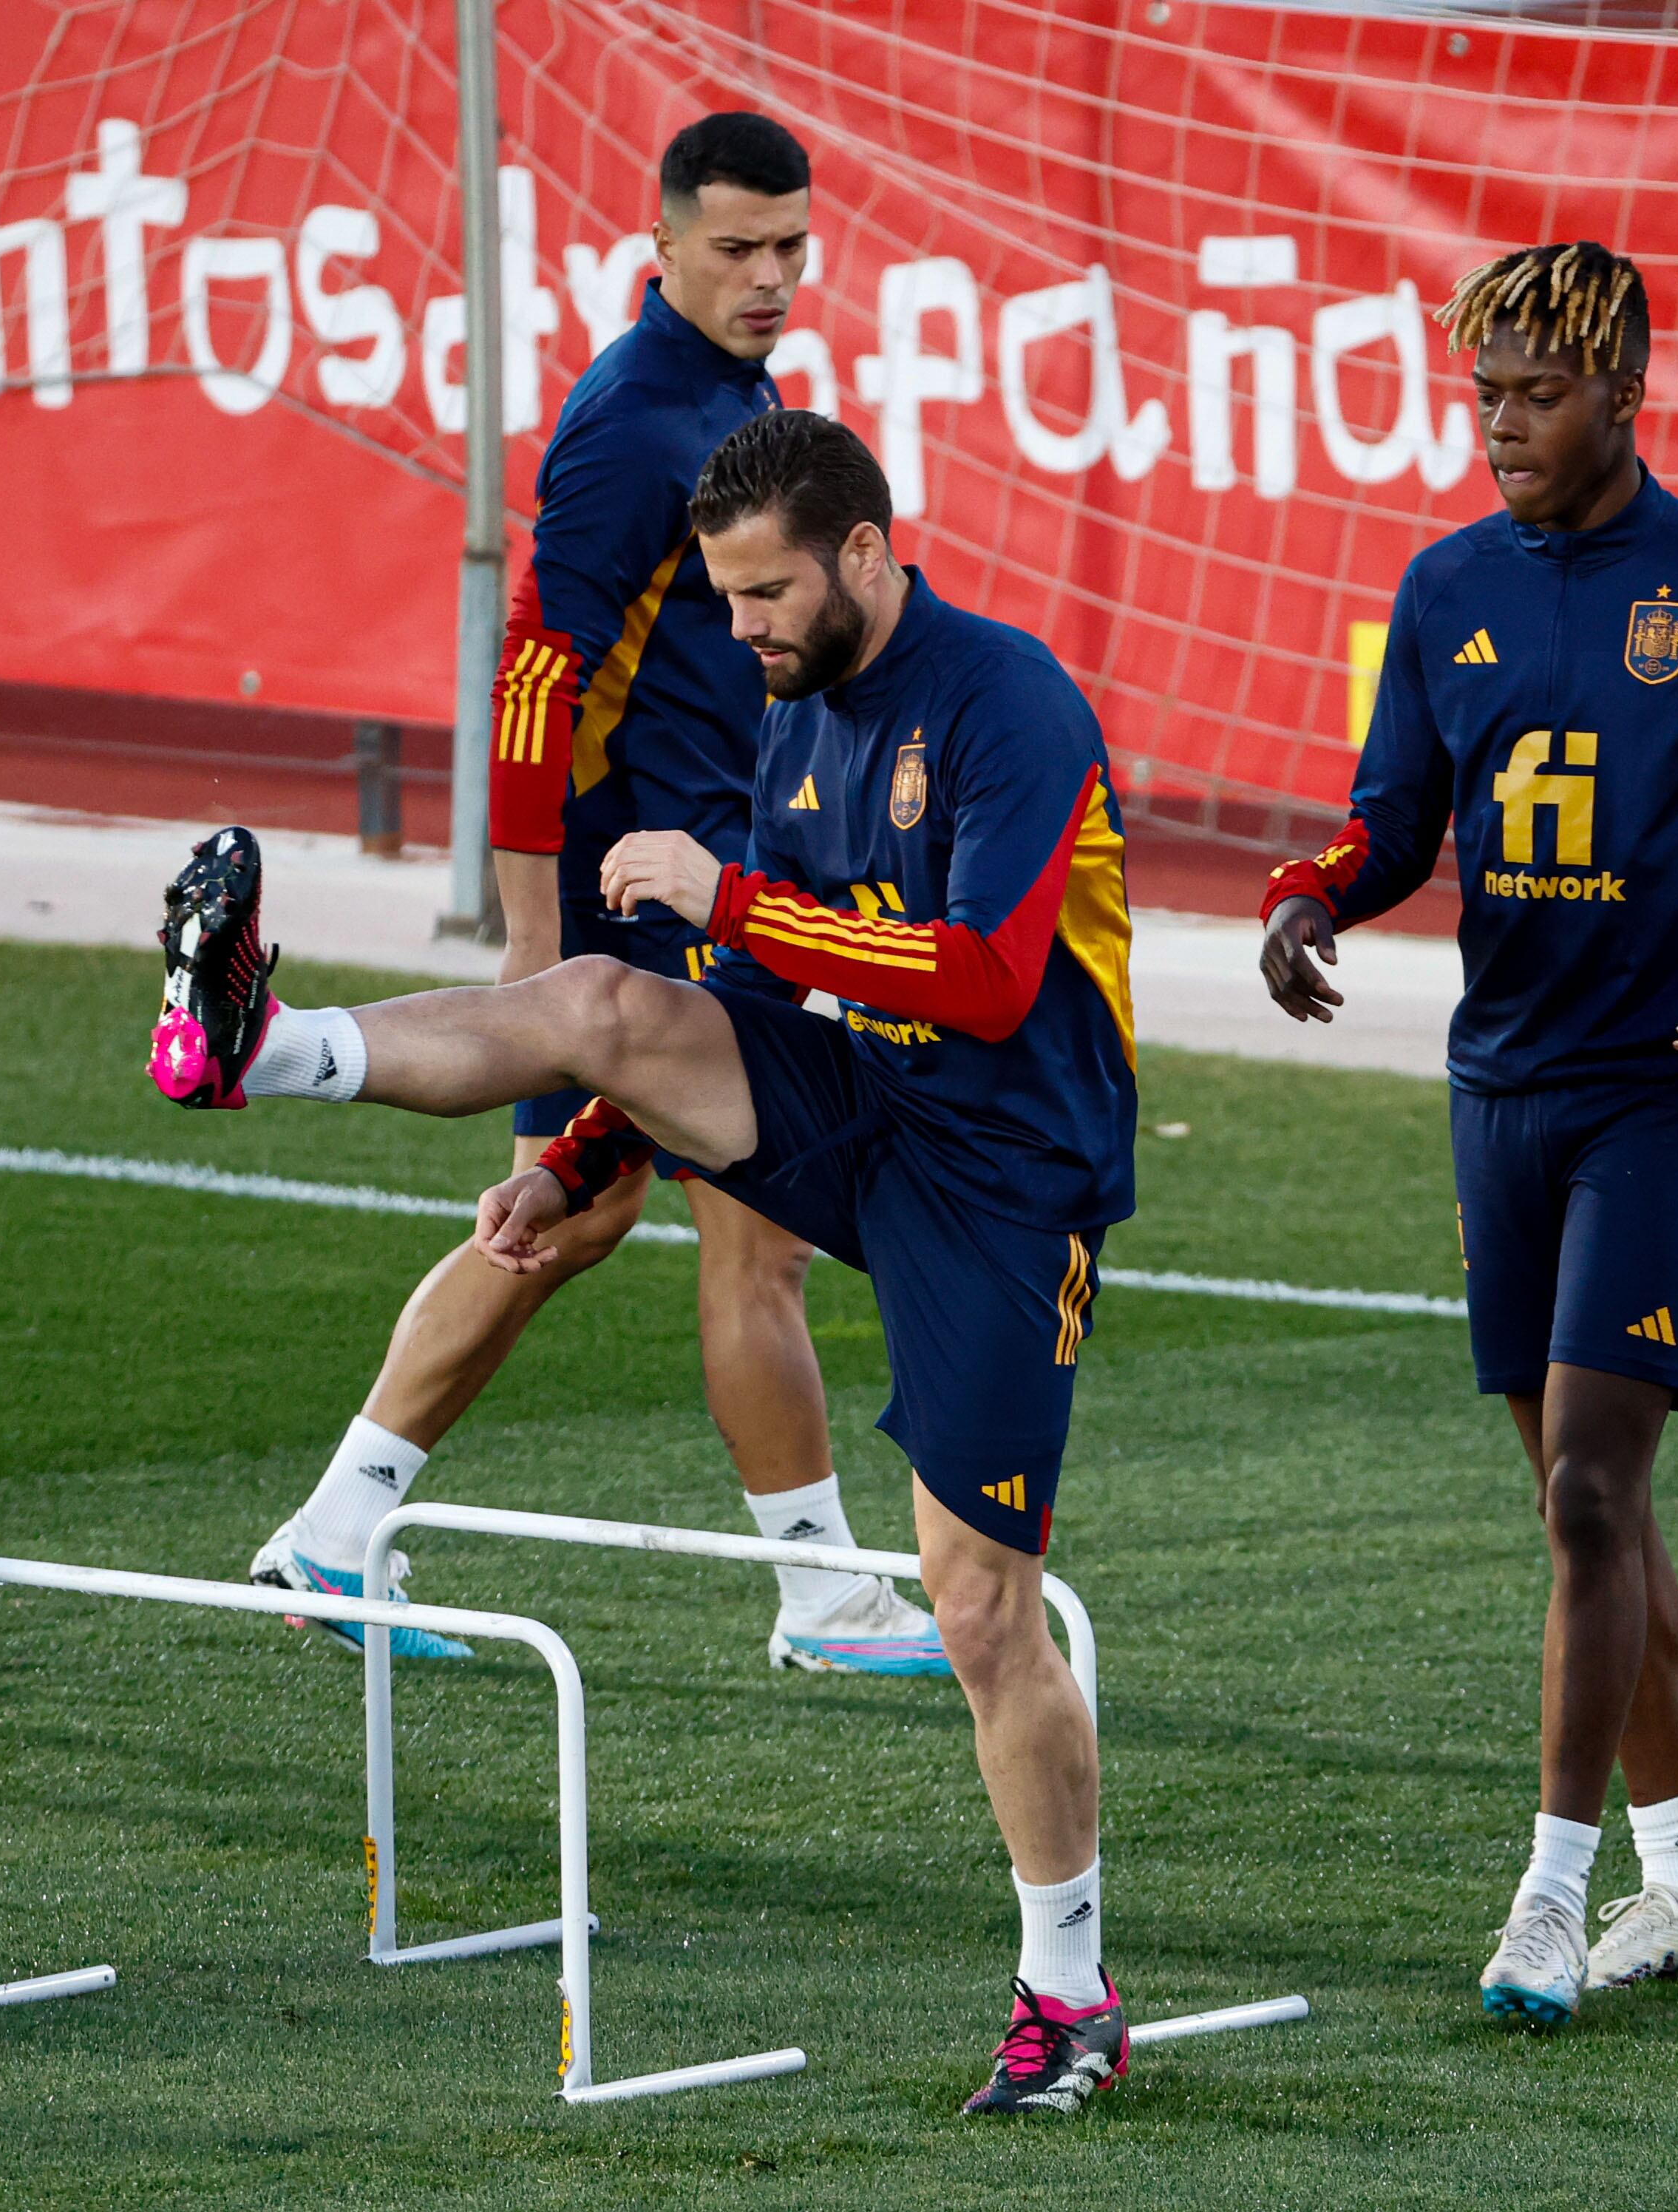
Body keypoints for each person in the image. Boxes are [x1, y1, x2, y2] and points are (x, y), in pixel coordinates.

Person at [149, 408, 1139, 2114]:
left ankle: (1068, 1992)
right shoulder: (792, 714)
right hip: (854, 1095)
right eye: (726, 595)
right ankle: (259, 1042)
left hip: (1005, 1169)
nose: (740, 626)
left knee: (980, 1606)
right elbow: (756, 1008)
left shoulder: (1012, 703)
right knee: (606, 1004)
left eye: (765, 594)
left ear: (867, 557)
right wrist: (592, 1150)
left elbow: (979, 976)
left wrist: (732, 895)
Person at [1257, 241, 1678, 2026]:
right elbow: (1397, 816)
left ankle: (1552, 1888)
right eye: (1483, 395)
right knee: (1584, 1519)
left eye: (1536, 394)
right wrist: (1314, 889)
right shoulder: (1445, 583)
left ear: (1624, 394)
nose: (1499, 427)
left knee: (1590, 1491)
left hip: (1665, 1090)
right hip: (1502, 1088)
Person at [215, 113, 945, 1675]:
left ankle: (335, 1534)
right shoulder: (633, 422)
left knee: (596, 1216)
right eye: (737, 248)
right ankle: (818, 1592)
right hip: (635, 890)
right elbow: (536, 676)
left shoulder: (729, 396)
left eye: (790, 249)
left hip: (702, 877)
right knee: (736, 1225)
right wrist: (535, 952)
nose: (768, 278)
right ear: (662, 241)